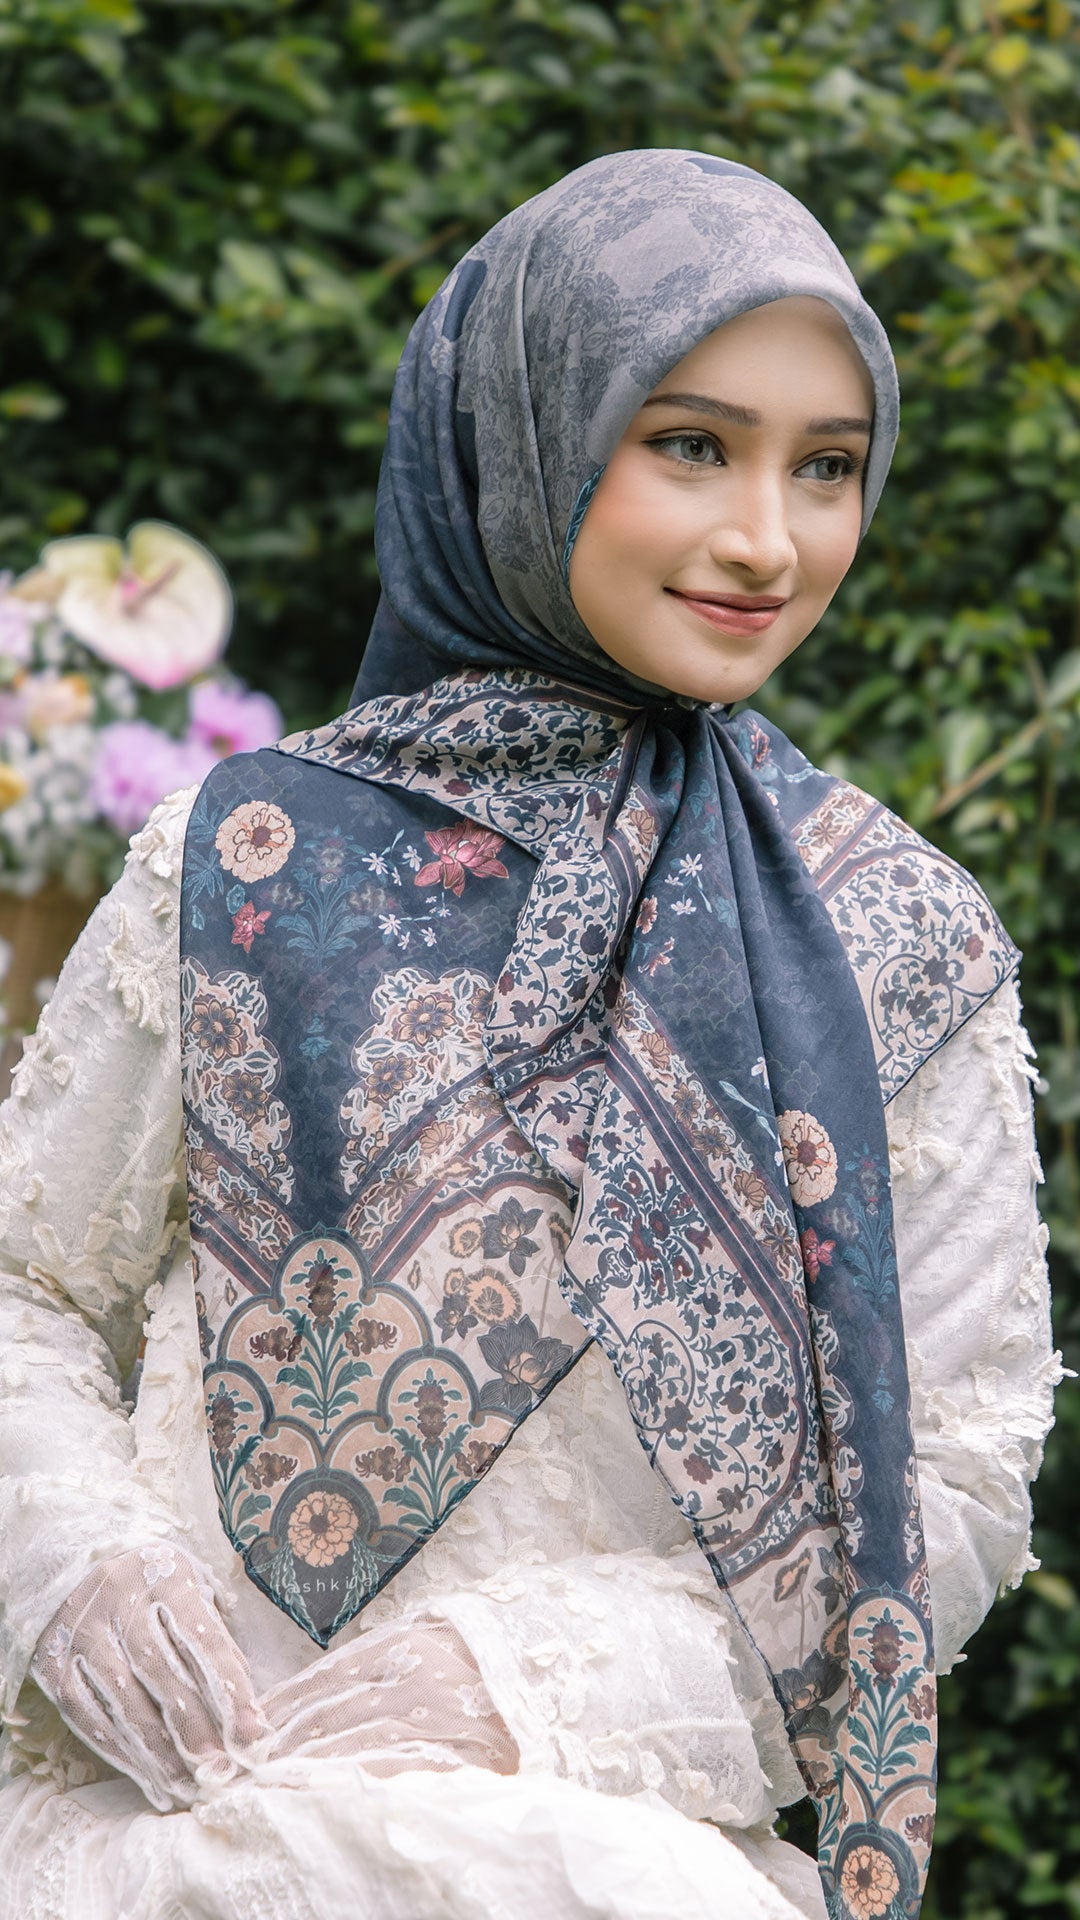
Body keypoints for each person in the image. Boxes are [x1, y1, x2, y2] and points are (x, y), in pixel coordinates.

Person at [0, 150, 1059, 1920]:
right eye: (692, 444)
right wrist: (71, 1570)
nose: (768, 539)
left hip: (600, 1852)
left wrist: (536, 1689)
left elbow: (947, 1473)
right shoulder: (244, 859)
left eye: (827, 467)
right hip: (173, 1821)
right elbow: (25, 1284)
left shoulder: (896, 937)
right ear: (524, 435)